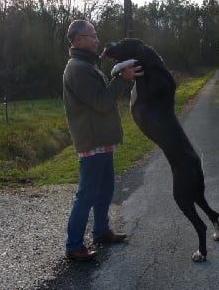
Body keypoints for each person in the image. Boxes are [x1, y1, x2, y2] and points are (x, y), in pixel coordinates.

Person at [63, 19, 143, 261]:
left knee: (105, 188)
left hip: (102, 140)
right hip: (92, 140)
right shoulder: (77, 68)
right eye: (92, 35)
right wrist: (123, 78)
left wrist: (116, 71)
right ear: (78, 40)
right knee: (87, 193)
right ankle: (74, 245)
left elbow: (100, 95)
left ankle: (101, 232)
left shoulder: (86, 65)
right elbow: (101, 101)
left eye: (96, 35)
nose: (97, 39)